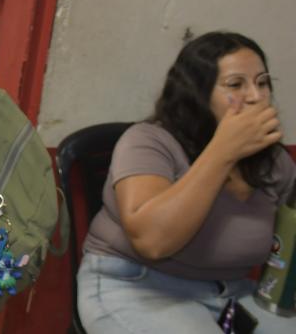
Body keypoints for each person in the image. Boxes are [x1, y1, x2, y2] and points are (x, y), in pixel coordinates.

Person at [77, 31, 294, 333]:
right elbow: (152, 242)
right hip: (138, 287)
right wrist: (223, 153)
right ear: (198, 94)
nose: (256, 96)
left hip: (232, 293)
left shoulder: (273, 162)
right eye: (235, 84)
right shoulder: (149, 142)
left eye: (262, 82)